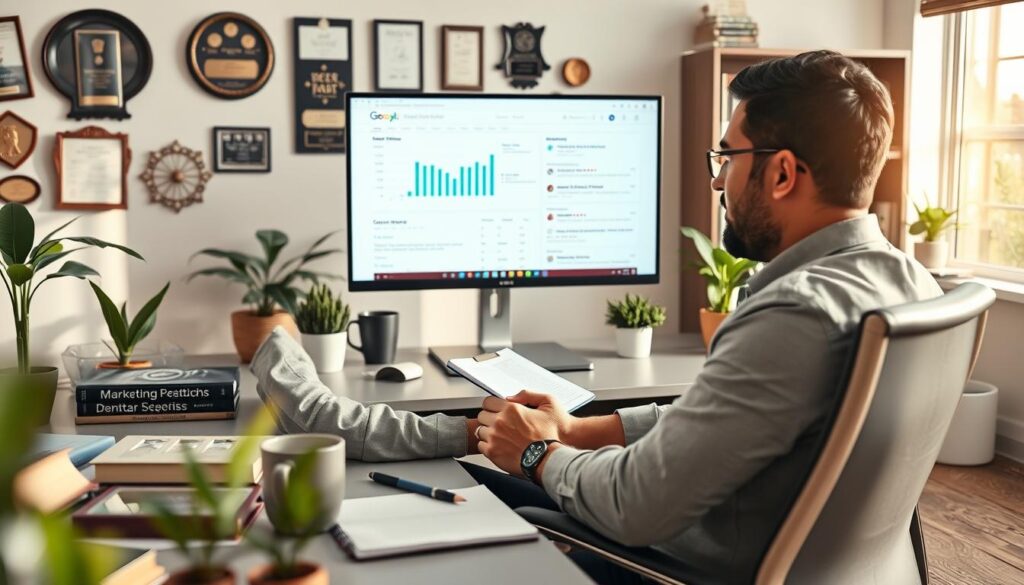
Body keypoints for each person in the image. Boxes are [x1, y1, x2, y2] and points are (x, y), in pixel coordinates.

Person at [251, 50, 941, 584]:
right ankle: (341, 420)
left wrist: (536, 454)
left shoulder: (792, 314)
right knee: (484, 454)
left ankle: (325, 416)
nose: (717, 178)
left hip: (687, 560)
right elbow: (718, 421)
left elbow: (637, 505)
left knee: (469, 493)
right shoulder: (909, 284)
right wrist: (581, 429)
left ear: (783, 173)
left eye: (727, 157)